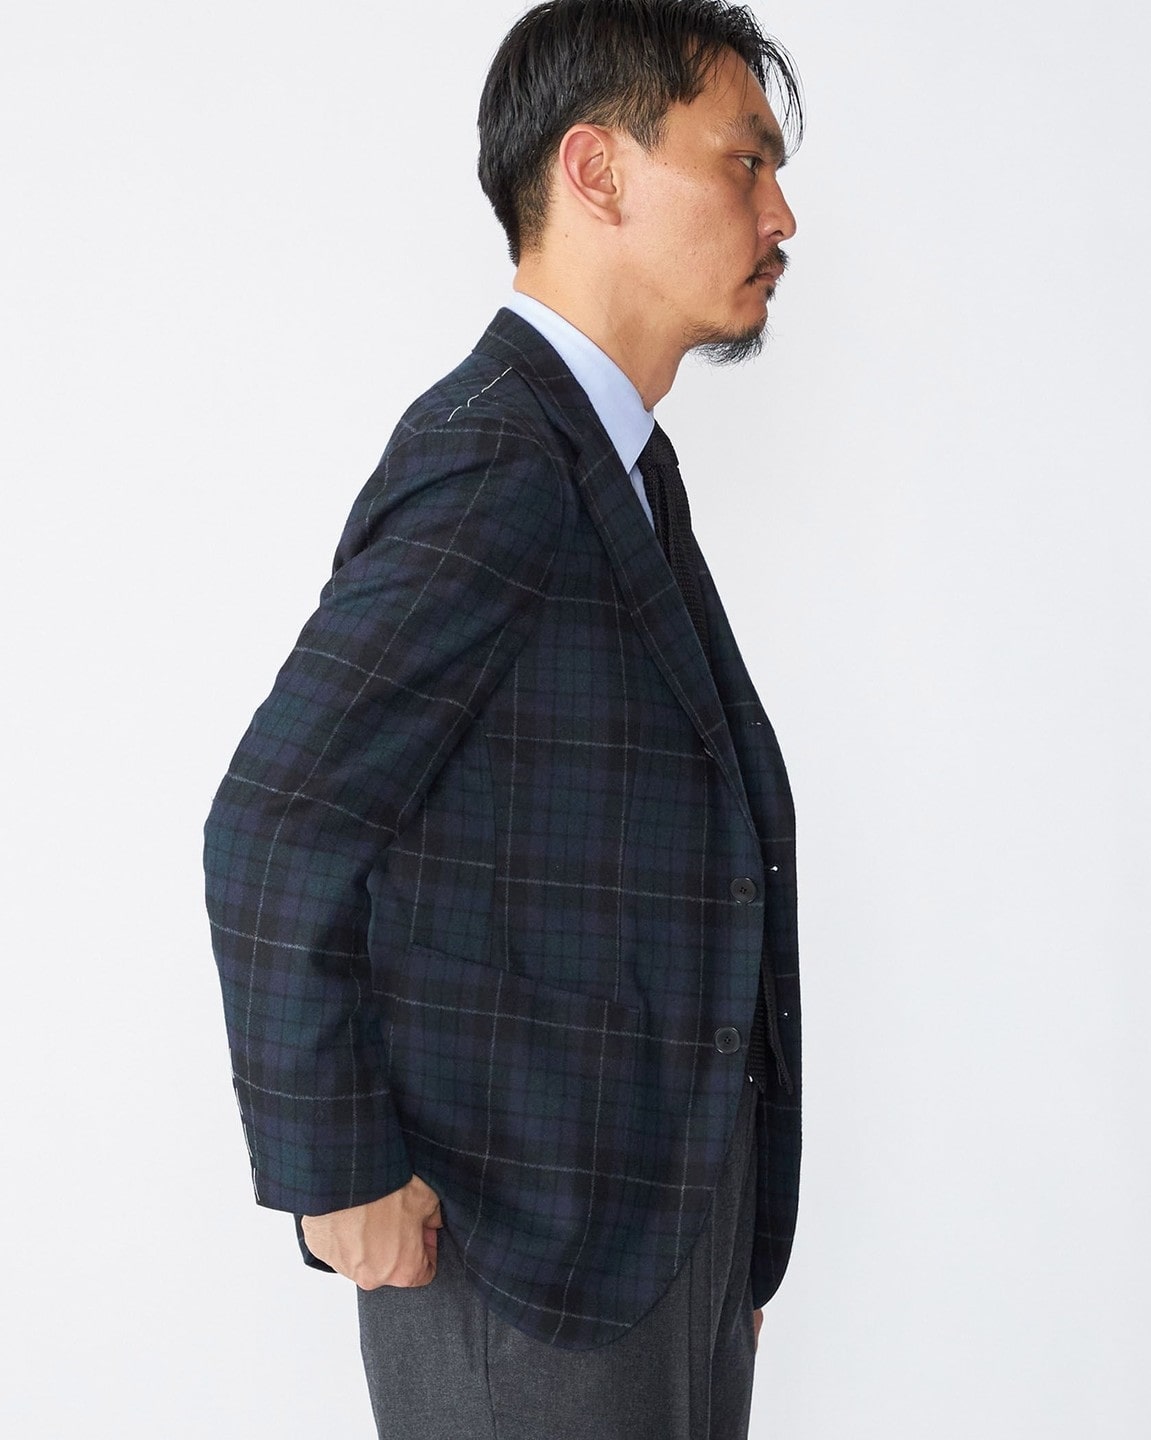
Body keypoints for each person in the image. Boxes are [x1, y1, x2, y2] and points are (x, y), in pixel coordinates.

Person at [203, 2, 804, 1435]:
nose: (782, 215)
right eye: (745, 162)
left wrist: (724, 1236)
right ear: (597, 171)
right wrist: (338, 1169)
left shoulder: (619, 461)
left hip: (648, 1240)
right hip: (529, 1262)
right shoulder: (499, 457)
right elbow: (276, 825)